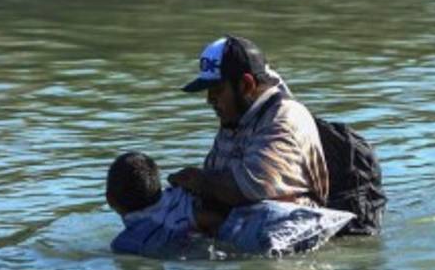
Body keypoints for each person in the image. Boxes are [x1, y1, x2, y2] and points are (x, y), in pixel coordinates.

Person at [168, 35, 329, 219]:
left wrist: (196, 179)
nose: (209, 99)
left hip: (289, 232)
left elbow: (251, 188)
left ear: (246, 85)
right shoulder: (236, 118)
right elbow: (214, 177)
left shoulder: (283, 118)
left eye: (217, 90)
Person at [105, 150, 352, 257]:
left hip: (246, 236)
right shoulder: (179, 192)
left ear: (110, 201)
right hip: (269, 212)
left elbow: (210, 221)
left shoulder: (129, 241)